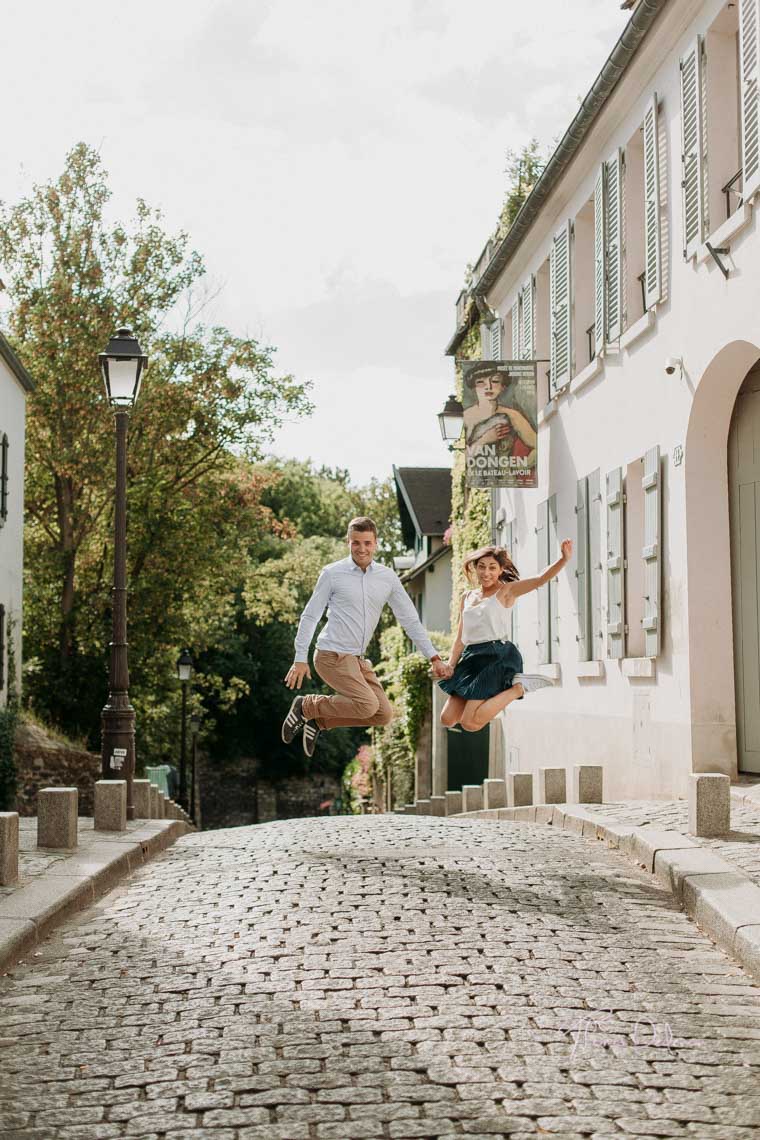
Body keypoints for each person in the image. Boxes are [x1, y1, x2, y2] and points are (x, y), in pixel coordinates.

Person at [282, 516, 449, 757]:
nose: (362, 549)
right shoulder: (332, 573)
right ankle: (305, 706)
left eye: (367, 543)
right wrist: (300, 657)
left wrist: (433, 656)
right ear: (348, 542)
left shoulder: (387, 577)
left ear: (376, 543)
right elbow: (310, 616)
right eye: (356, 543)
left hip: (358, 661)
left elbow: (409, 619)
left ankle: (319, 723)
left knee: (382, 714)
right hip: (331, 655)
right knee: (367, 705)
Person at [438, 539, 573, 733]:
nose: (486, 572)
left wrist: (563, 559)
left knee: (470, 723)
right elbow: (460, 637)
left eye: (492, 568)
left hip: (496, 655)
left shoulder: (506, 591)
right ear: (475, 568)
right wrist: (451, 664)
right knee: (447, 719)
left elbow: (539, 580)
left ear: (501, 570)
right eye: (482, 567)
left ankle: (518, 688)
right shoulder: (467, 597)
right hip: (471, 657)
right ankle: (502, 692)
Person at [464, 364, 536, 467]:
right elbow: (462, 459)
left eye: (495, 381)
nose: (488, 386)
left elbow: (538, 446)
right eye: (480, 382)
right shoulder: (466, 417)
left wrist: (520, 468)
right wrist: (485, 439)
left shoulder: (512, 415)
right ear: (473, 387)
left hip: (506, 480)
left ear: (503, 386)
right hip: (474, 480)